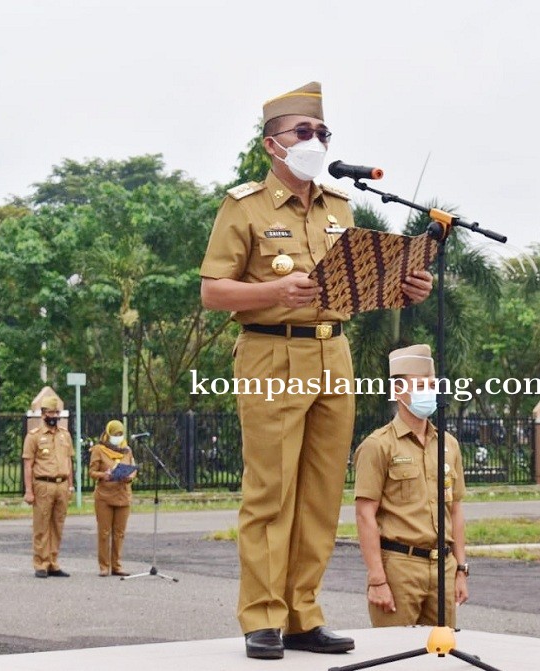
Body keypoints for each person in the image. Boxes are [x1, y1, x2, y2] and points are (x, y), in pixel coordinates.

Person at [199, 81, 433, 659]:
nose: (315, 141)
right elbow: (212, 291)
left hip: (334, 352)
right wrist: (274, 291)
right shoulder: (244, 206)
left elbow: (352, 286)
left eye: (322, 132)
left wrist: (404, 288)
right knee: (271, 491)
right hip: (271, 352)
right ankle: (263, 616)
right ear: (271, 144)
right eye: (302, 131)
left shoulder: (339, 205)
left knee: (322, 493)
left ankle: (303, 614)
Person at [353, 344, 468, 627]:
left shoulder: (448, 445)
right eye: (419, 386)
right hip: (400, 567)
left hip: (443, 568)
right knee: (397, 649)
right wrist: (377, 579)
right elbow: (365, 515)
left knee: (443, 648)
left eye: (432, 385)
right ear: (397, 391)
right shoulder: (378, 446)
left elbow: (455, 510)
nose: (428, 392)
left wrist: (461, 569)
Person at [22, 394, 74, 578]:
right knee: (42, 526)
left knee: (58, 525)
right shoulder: (34, 436)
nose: (54, 416)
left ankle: (53, 562)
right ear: (43, 414)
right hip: (43, 484)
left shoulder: (65, 435)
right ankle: (41, 563)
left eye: (56, 412)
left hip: (62, 484)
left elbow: (69, 461)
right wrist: (28, 491)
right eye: (51, 412)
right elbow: (28, 465)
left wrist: (70, 485)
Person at [89, 420, 137, 577]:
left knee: (119, 533)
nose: (118, 437)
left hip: (123, 494)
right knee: (104, 532)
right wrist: (104, 475)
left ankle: (117, 565)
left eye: (120, 434)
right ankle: (104, 566)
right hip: (105, 496)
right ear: (108, 433)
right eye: (115, 434)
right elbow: (92, 472)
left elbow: (133, 468)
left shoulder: (127, 449)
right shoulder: (99, 449)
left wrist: (130, 476)